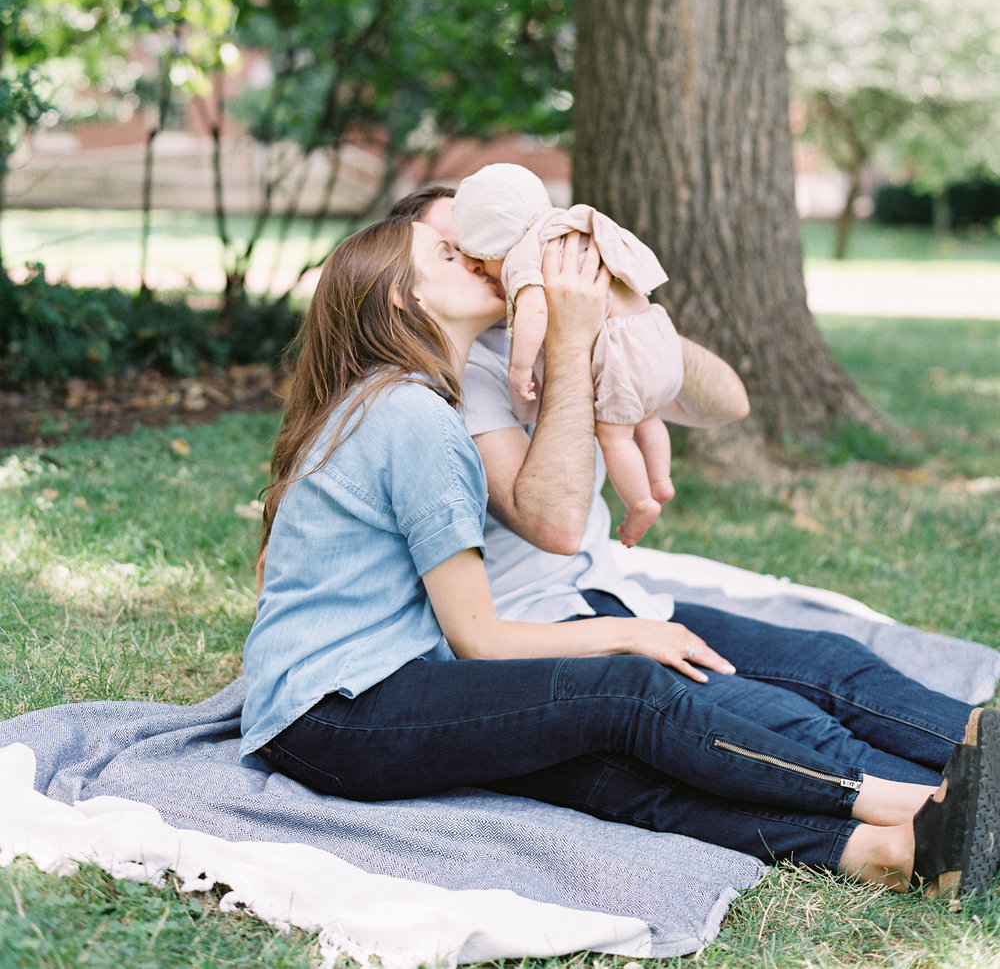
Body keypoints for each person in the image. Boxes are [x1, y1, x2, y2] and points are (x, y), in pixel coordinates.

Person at [243, 214, 1000, 902]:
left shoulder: (403, 403)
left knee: (605, 771)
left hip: (348, 704)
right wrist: (632, 633)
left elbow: (720, 397)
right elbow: (482, 638)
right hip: (338, 714)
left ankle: (879, 851)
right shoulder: (414, 414)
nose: (476, 254)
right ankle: (904, 802)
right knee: (632, 694)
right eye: (446, 251)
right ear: (404, 300)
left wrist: (624, 306)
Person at [450, 162, 681, 548]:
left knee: (615, 436)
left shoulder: (525, 253)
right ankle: (661, 479)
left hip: (622, 353)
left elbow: (534, 311)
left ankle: (641, 502)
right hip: (658, 334)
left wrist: (520, 367)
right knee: (649, 415)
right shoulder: (572, 226)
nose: (477, 266)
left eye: (476, 254)